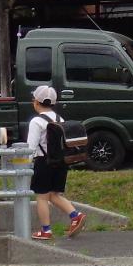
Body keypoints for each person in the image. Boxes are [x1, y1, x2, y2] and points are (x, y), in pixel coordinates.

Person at [25, 85, 85, 241]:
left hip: (43, 162)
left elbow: (30, 147)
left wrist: (25, 165)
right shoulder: (60, 119)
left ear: (36, 102)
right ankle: (75, 215)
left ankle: (46, 231)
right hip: (61, 162)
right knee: (54, 194)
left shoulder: (36, 121)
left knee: (42, 197)